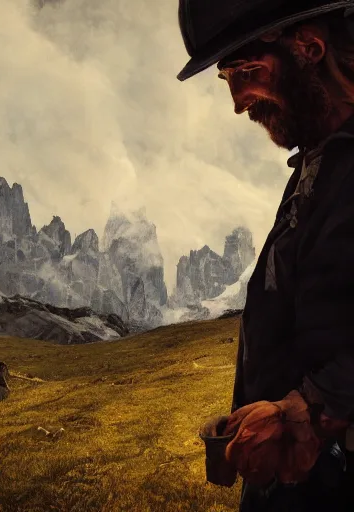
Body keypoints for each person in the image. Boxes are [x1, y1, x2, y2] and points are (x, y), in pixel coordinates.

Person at [177, 1, 354, 509]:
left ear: (309, 49)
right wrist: (252, 409)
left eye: (245, 72)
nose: (237, 102)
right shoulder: (315, 167)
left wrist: (303, 411)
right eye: (226, 78)